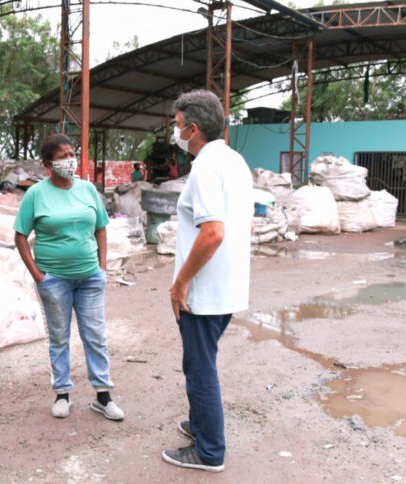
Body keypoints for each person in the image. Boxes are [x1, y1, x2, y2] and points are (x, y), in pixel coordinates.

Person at [162, 90, 253, 473]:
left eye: (178, 125)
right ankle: (200, 426)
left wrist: (181, 282)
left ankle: (209, 451)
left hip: (204, 290)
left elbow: (212, 232)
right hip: (227, 287)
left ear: (193, 128)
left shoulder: (204, 167)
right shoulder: (235, 161)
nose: (176, 132)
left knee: (199, 368)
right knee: (202, 362)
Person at [13, 133, 124, 422]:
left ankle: (103, 396)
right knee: (59, 338)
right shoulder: (36, 194)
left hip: (90, 277)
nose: (70, 159)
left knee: (95, 336)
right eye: (63, 156)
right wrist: (39, 276)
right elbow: (21, 236)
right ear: (49, 163)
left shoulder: (88, 190)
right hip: (54, 280)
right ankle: (62, 394)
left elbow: (101, 228)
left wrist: (102, 267)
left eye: (72, 153)